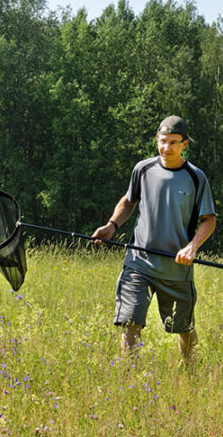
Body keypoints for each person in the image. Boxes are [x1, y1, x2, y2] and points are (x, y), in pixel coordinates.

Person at [91, 115, 216, 365]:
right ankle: (130, 380)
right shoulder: (143, 169)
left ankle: (191, 373)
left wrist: (192, 247)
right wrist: (112, 225)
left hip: (176, 269)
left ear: (185, 144)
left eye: (173, 142)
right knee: (130, 321)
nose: (166, 148)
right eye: (162, 141)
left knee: (183, 327)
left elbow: (209, 220)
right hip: (138, 262)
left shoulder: (196, 178)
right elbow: (129, 201)